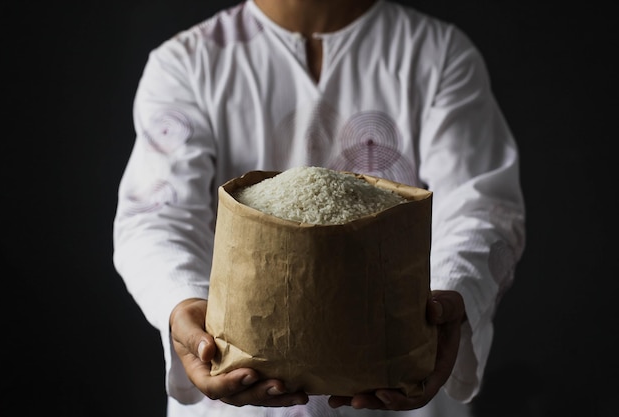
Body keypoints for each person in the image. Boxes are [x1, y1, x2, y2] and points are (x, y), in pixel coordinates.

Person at [112, 0, 526, 416]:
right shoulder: (189, 60)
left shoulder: (436, 52)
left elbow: (482, 207)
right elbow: (155, 216)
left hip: (397, 391)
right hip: (236, 395)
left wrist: (452, 296)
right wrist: (182, 302)